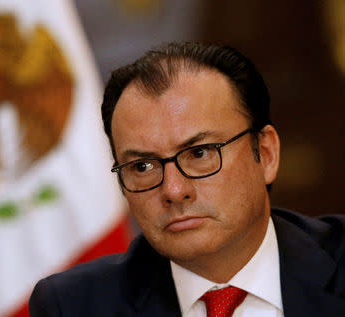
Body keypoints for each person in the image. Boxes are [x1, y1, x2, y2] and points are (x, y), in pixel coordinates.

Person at [29, 42, 345, 316]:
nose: (174, 190)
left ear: (266, 154)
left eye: (199, 153)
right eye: (142, 167)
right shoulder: (74, 307)